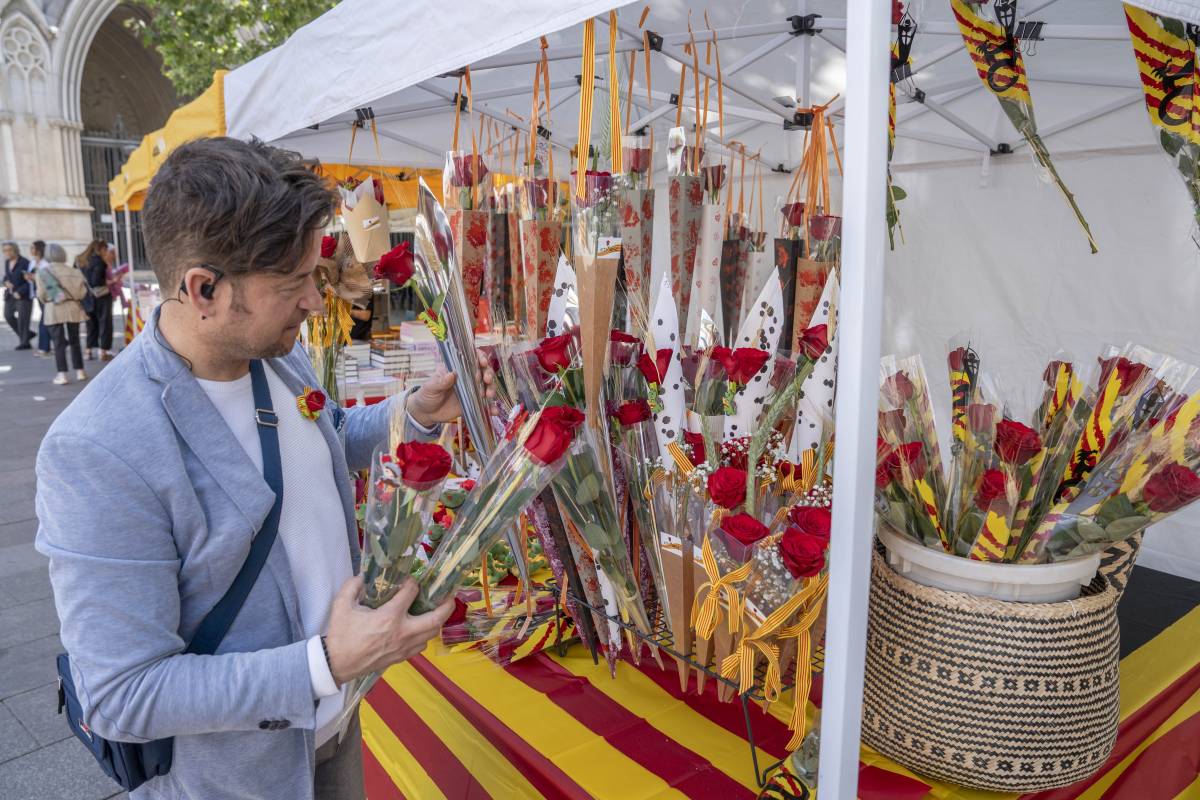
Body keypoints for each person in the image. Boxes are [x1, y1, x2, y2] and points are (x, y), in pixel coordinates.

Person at [36, 137, 489, 800]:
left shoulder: (273, 355)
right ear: (204, 290)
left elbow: (327, 434)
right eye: (292, 284)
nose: (313, 301)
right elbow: (121, 695)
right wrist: (324, 664)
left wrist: (412, 413)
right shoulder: (100, 448)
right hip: (236, 776)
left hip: (335, 726)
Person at [34, 243, 89, 384]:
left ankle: (62, 374)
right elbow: (82, 293)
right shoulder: (74, 271)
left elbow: (41, 294)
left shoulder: (42, 272)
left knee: (58, 343)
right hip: (73, 308)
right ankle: (80, 371)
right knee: (75, 341)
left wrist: (49, 298)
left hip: (53, 309)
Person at [79, 239, 113, 360]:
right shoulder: (99, 262)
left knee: (91, 324)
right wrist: (110, 281)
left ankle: (88, 351)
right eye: (105, 249)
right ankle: (103, 351)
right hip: (101, 297)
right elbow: (96, 281)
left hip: (85, 297)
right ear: (101, 249)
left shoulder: (79, 261)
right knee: (104, 323)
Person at [2, 240, 34, 348]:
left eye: (9, 250)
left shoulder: (25, 262)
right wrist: (5, 281)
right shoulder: (7, 262)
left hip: (23, 296)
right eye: (4, 250)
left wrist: (20, 291)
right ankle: (27, 335)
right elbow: (7, 277)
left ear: (15, 250)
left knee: (23, 320)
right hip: (10, 295)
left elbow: (30, 280)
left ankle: (25, 343)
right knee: (8, 316)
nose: (7, 252)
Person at [28, 240, 52, 356]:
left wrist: (35, 278)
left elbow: (48, 280)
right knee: (47, 320)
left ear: (39, 249)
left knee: (44, 322)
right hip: (37, 294)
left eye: (33, 248)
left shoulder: (46, 263)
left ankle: (44, 347)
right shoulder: (32, 262)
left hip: (46, 295)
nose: (31, 250)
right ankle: (61, 341)